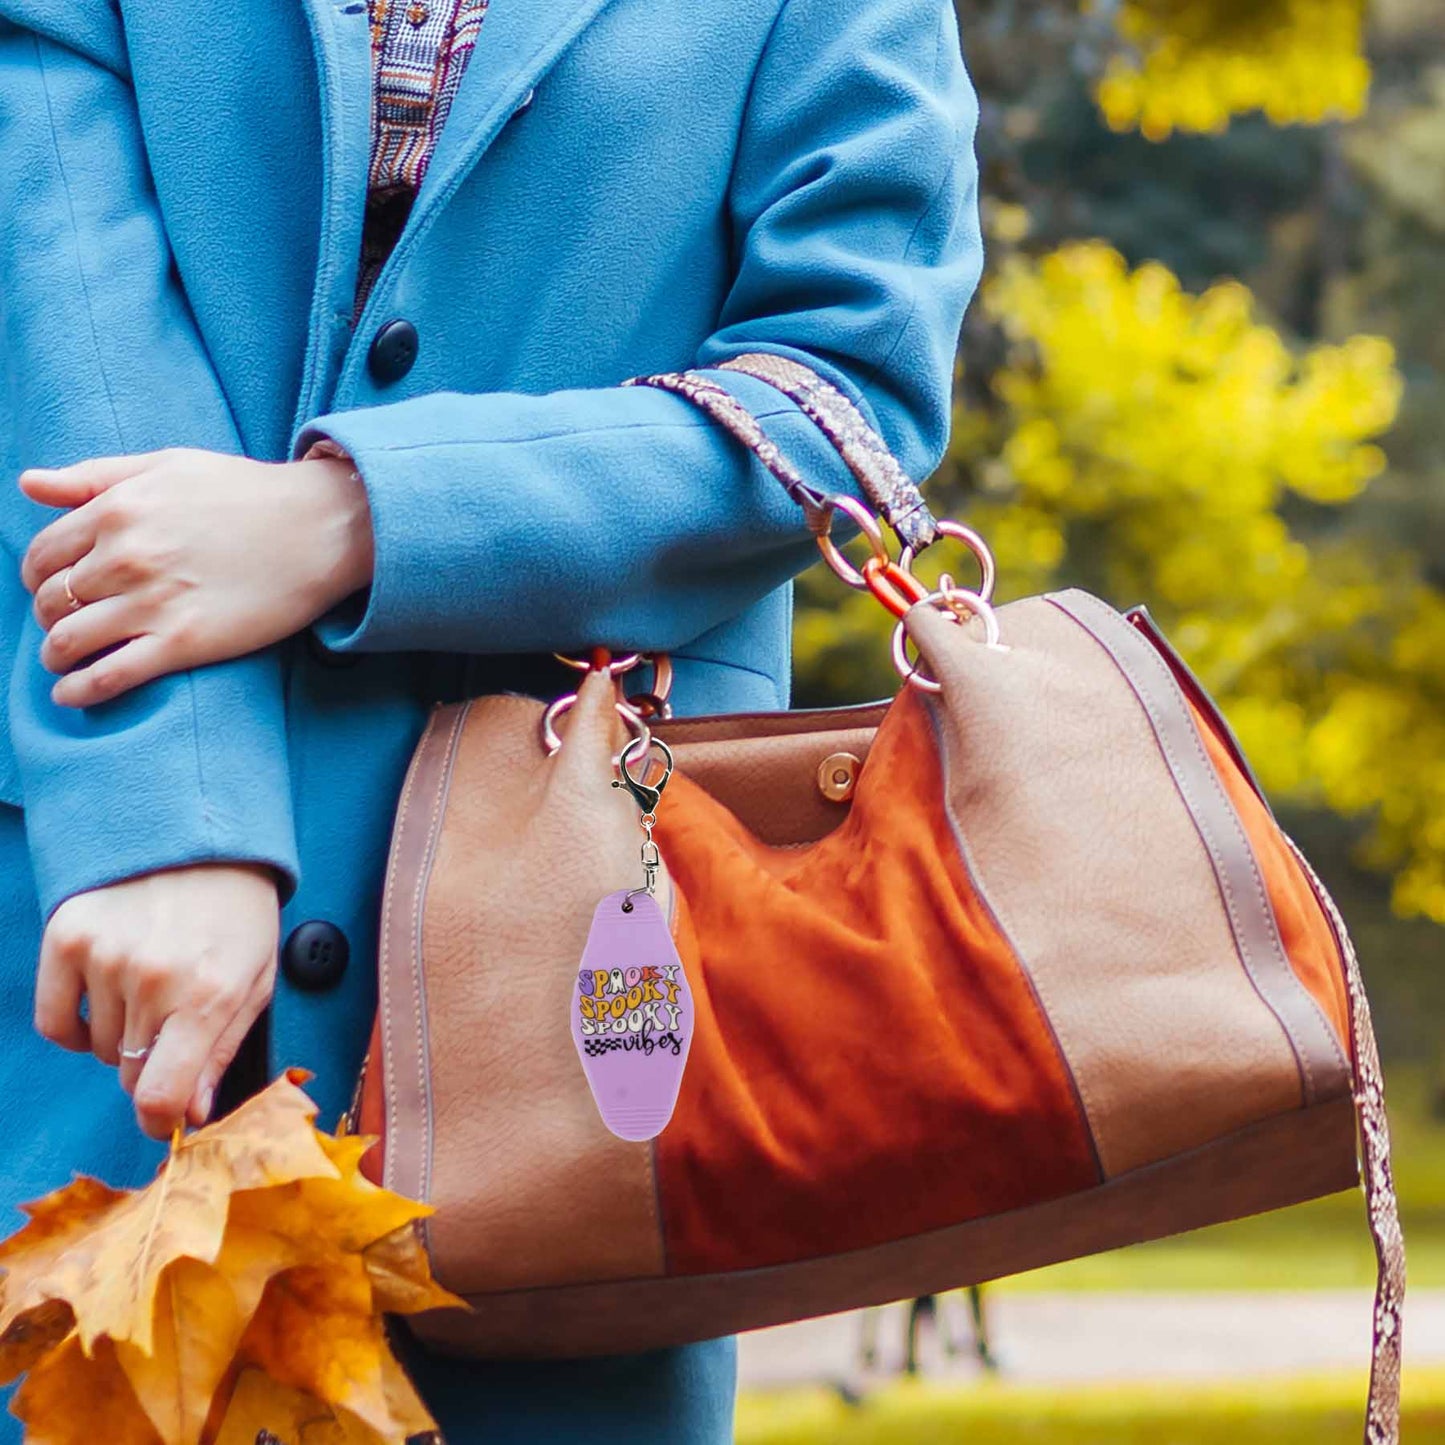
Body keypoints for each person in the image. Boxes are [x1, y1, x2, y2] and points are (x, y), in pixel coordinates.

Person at [0, 0, 983, 1439]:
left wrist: (353, 518)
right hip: (109, 946)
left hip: (567, 993)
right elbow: (62, 320)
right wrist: (173, 818)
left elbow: (845, 399)